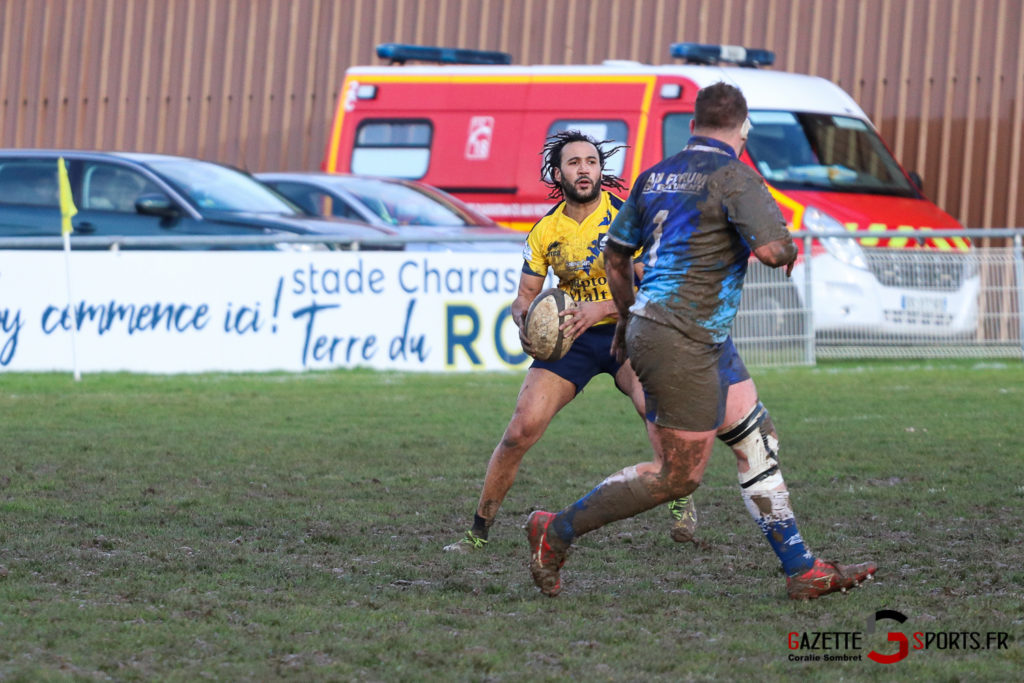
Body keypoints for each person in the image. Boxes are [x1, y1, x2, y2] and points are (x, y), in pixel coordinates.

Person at [525, 83, 876, 600]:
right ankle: (553, 532)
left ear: (692, 128)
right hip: (679, 338)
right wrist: (784, 243)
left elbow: (616, 260)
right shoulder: (736, 177)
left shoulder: (655, 175)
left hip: (690, 332)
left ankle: (803, 571)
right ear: (744, 130)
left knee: (757, 439)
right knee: (677, 478)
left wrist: (624, 321)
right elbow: (777, 252)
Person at [444, 130, 697, 552]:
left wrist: (601, 310)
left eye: (591, 162)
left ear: (601, 171)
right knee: (519, 431)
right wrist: (525, 324)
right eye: (574, 163)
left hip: (626, 332)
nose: (584, 169)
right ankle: (477, 534)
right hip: (571, 341)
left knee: (653, 410)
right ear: (558, 173)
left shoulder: (625, 219)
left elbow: (654, 289)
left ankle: (681, 495)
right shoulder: (545, 231)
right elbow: (524, 298)